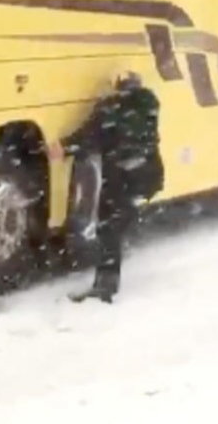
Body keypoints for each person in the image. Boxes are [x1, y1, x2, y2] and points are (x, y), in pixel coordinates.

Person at [49, 71, 164, 303]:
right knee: (118, 220)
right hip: (148, 174)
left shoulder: (111, 109)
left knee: (108, 227)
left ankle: (106, 286)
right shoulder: (149, 106)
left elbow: (89, 135)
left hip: (123, 176)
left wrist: (64, 147)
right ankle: (127, 231)